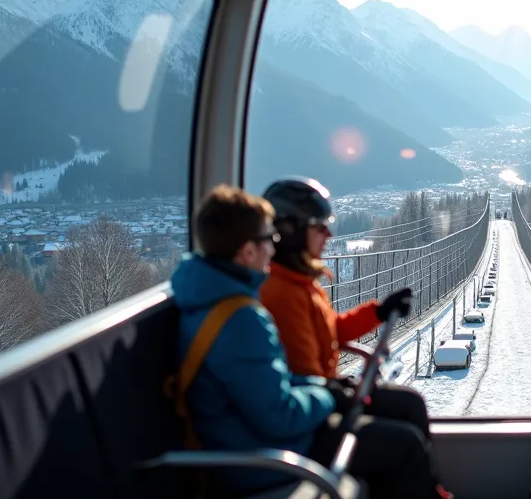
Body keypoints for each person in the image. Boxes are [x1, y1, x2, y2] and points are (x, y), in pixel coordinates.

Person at [169, 184, 437, 499]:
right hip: (266, 455)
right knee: (402, 444)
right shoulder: (248, 313)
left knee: (404, 418)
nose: (274, 246)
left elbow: (318, 339)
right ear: (248, 251)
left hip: (267, 434)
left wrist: (376, 313)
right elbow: (278, 412)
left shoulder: (237, 298)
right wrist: (328, 393)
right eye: (269, 239)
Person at [257, 177, 449, 496]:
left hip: (322, 401)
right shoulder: (280, 294)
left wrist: (377, 312)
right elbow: (305, 373)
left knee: (410, 405)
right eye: (320, 226)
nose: (329, 234)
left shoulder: (300, 282)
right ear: (289, 230)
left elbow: (330, 330)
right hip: (310, 423)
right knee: (405, 444)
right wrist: (338, 389)